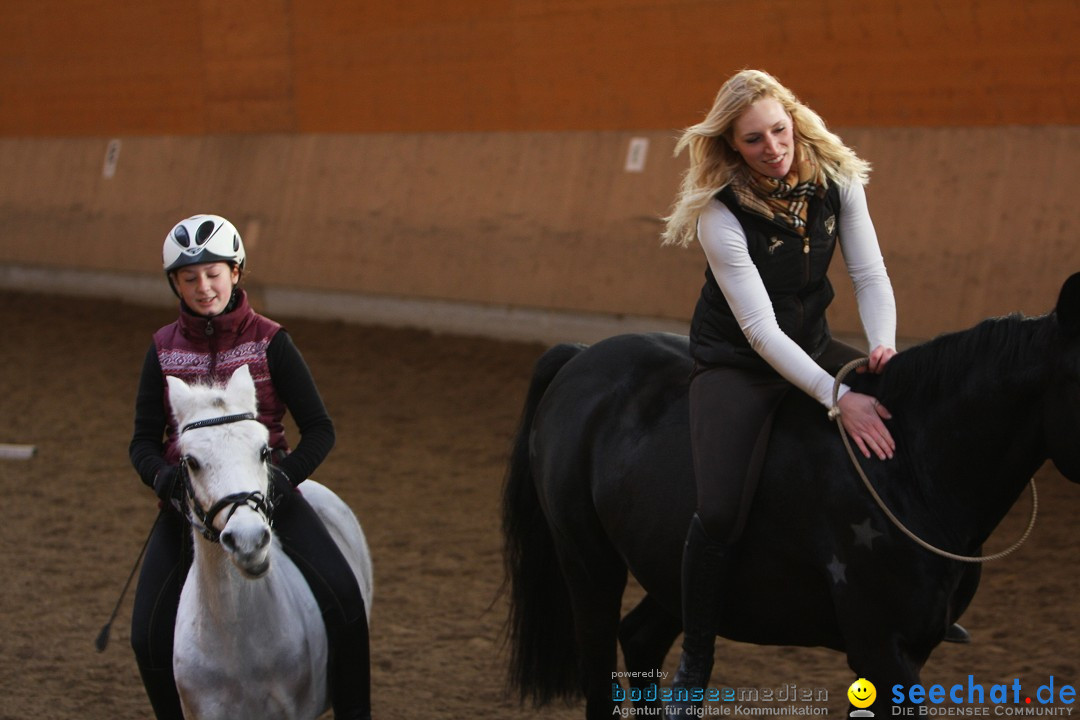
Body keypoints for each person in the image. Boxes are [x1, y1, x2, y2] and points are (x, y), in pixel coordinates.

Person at [659, 69, 898, 717]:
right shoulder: (719, 211)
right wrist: (835, 397)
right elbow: (760, 331)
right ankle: (695, 658)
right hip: (738, 362)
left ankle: (912, 611)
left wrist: (882, 345)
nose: (773, 147)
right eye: (754, 139)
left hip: (815, 344)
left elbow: (868, 271)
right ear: (732, 145)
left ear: (794, 121)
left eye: (779, 131)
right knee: (719, 510)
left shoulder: (838, 179)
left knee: (902, 430)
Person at [128, 214, 372, 720]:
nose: (203, 287)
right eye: (189, 278)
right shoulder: (162, 350)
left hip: (270, 496)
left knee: (346, 603)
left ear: (236, 273)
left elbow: (320, 428)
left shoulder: (271, 341)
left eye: (213, 273)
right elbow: (142, 443)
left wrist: (282, 479)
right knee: (146, 635)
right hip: (192, 506)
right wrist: (166, 480)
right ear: (175, 283)